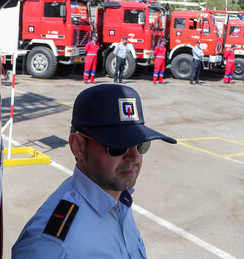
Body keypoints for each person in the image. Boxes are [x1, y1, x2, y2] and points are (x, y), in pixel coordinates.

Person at [12, 84, 176, 258]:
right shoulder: (50, 247)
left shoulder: (119, 200)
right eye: (117, 147)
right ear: (78, 147)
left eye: (141, 144)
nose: (134, 156)